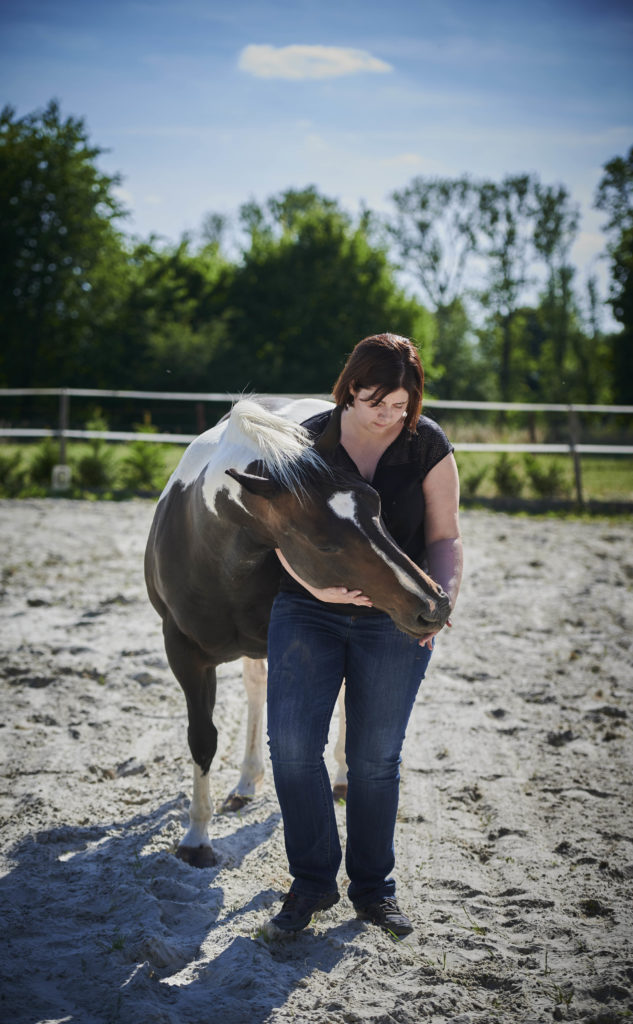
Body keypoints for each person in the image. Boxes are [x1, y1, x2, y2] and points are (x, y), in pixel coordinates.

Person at [267, 333, 463, 936]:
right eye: (378, 401)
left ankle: (374, 890)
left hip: (395, 618)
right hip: (307, 609)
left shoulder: (426, 445)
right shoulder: (305, 444)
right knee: (294, 749)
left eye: (401, 404)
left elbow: (444, 537)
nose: (390, 416)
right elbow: (280, 534)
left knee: (375, 759)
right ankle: (312, 882)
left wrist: (443, 600)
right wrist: (318, 587)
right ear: (352, 386)